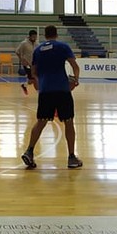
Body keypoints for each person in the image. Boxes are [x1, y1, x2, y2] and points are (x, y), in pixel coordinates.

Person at [20, 25, 83, 170]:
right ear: (56, 34)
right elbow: (75, 66)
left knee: (41, 121)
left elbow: (34, 72)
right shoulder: (63, 47)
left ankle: (29, 151)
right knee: (68, 122)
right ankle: (72, 157)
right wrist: (76, 79)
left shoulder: (38, 50)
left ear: (45, 35)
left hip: (45, 90)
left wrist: (40, 82)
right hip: (62, 89)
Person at [15, 29, 38, 95]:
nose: (34, 38)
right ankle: (39, 92)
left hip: (34, 64)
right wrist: (22, 60)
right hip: (27, 63)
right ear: (30, 36)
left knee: (31, 80)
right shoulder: (24, 43)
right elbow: (17, 51)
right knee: (34, 78)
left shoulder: (37, 43)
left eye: (35, 37)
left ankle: (24, 85)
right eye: (33, 37)